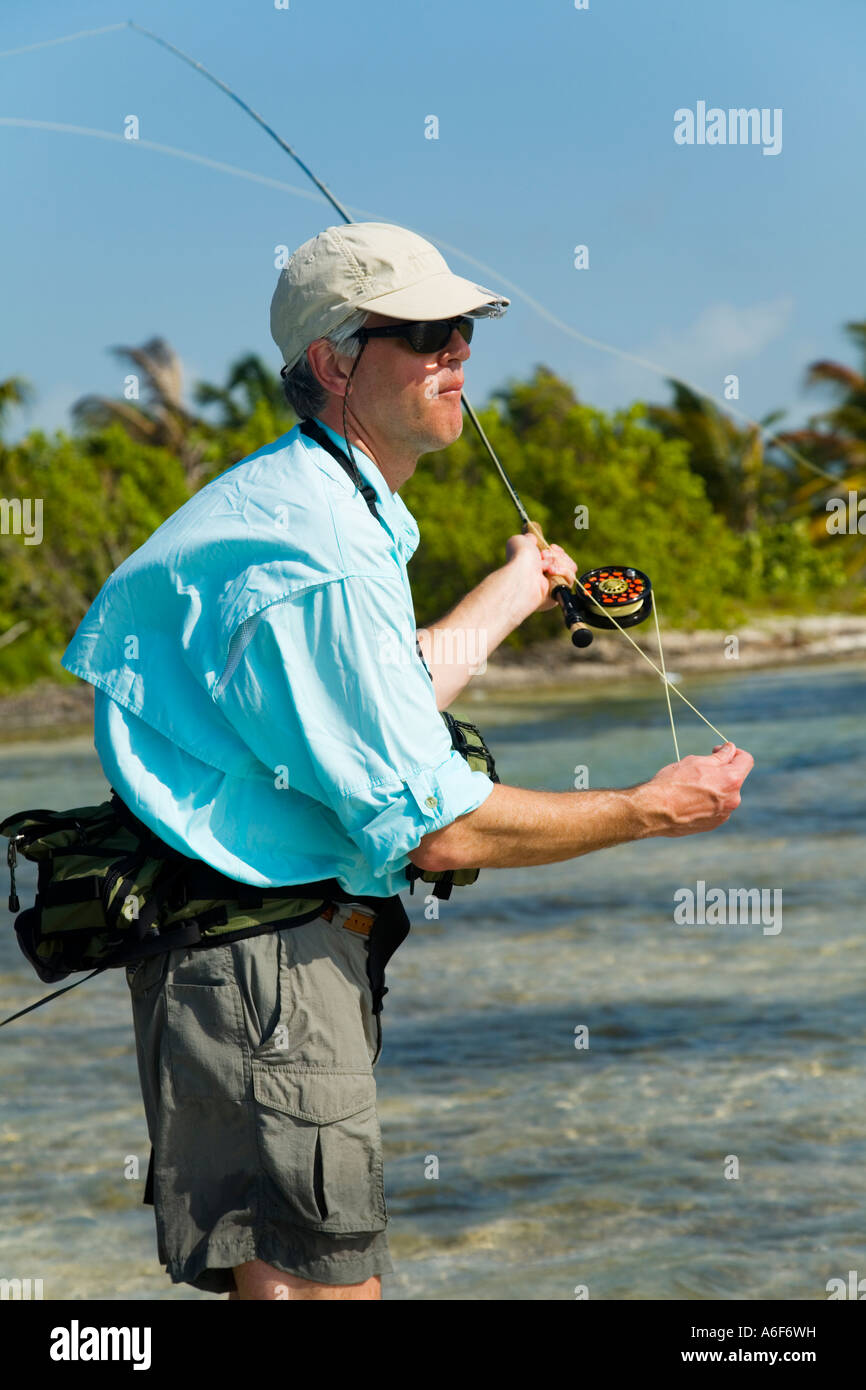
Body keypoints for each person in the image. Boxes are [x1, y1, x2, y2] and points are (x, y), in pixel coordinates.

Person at [61, 221, 753, 1302]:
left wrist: (517, 585)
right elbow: (435, 827)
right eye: (425, 332)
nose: (456, 355)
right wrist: (650, 809)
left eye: (461, 331)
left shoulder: (314, 501)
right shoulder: (320, 549)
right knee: (329, 1284)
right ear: (336, 361)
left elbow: (372, 700)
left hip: (233, 959)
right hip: (268, 968)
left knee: (278, 1276)